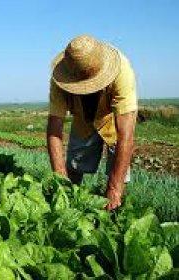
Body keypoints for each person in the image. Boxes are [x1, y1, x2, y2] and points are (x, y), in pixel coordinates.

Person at [46, 35, 137, 211]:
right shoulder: (60, 77)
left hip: (112, 119)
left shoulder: (121, 71)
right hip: (82, 119)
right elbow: (54, 129)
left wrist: (114, 188)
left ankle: (113, 214)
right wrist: (59, 179)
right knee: (72, 169)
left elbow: (126, 135)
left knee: (117, 182)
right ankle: (69, 207)